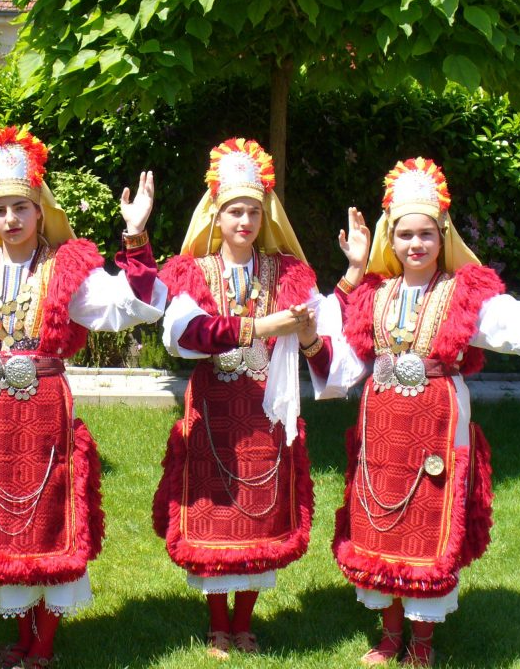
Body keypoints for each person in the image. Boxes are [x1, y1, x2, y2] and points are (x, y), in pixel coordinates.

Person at [0, 125, 165, 669]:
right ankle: (21, 634)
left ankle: (42, 646)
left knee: (47, 517)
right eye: (0, 210)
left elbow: (132, 305)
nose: (11, 220)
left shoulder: (65, 268)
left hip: (45, 410)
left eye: (21, 207)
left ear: (38, 207)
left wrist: (136, 237)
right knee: (6, 522)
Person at [319, 157, 520, 666]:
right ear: (389, 241)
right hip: (381, 428)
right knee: (381, 525)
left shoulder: (465, 293)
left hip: (438, 426)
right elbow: (344, 363)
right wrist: (311, 340)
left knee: (429, 524)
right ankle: (389, 636)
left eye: (426, 234)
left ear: (442, 237)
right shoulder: (372, 296)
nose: (415, 245)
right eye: (405, 235)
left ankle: (422, 643)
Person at [153, 138, 366, 659]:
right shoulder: (192, 272)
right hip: (213, 412)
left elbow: (323, 321)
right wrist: (262, 325)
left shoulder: (286, 272)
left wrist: (355, 272)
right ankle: (215, 625)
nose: (244, 221)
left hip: (265, 411)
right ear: (216, 215)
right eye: (234, 211)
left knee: (257, 513)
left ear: (264, 215)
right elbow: (186, 333)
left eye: (253, 211)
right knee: (215, 513)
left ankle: (243, 622)